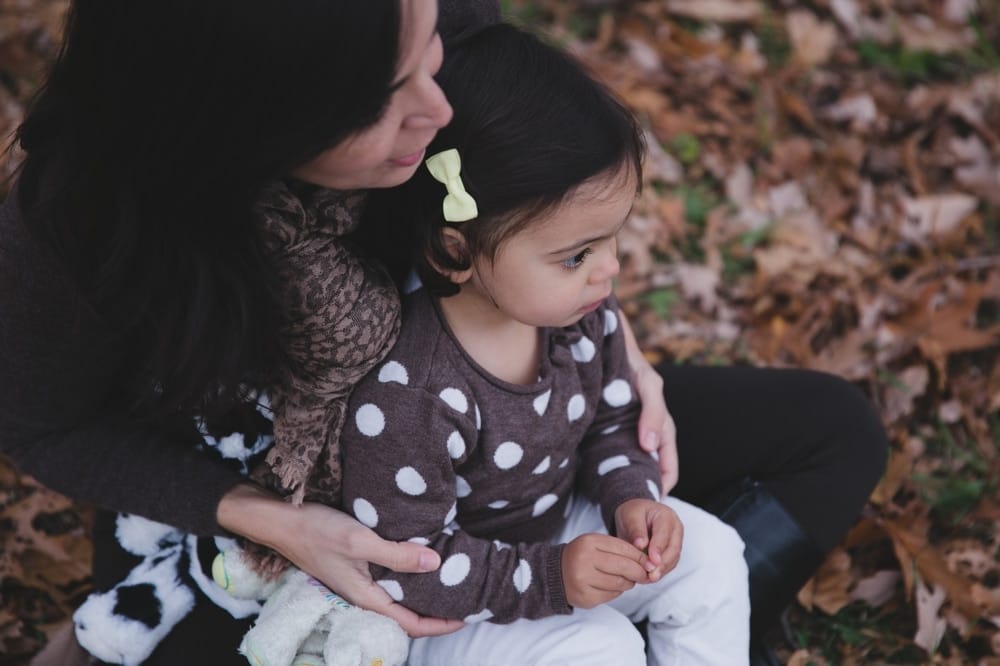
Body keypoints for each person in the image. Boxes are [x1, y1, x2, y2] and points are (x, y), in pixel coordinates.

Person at [0, 0, 886, 663]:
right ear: (258, 123)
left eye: (430, 51)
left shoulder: (407, 28)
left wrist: (616, 349)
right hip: (274, 515)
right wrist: (267, 518)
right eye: (388, 100)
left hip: (511, 415)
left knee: (831, 434)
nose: (437, 110)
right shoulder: (83, 224)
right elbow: (40, 424)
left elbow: (542, 204)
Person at [343, 22, 750, 665]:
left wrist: (632, 499)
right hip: (450, 610)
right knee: (602, 647)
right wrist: (553, 577)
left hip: (558, 532)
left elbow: (614, 419)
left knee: (714, 555)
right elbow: (408, 564)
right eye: (575, 255)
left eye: (613, 238)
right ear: (457, 254)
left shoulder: (579, 316)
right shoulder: (410, 393)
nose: (608, 269)